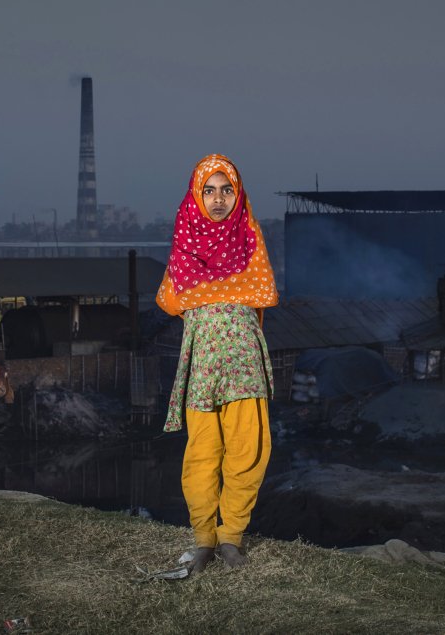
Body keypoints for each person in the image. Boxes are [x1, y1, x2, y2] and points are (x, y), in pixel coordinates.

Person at [157, 153, 279, 574]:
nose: (218, 199)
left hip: (244, 363)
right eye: (209, 190)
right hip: (203, 367)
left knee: (248, 451)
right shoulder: (184, 243)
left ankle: (232, 537)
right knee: (202, 454)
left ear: (238, 193)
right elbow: (171, 299)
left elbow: (262, 297)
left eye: (227, 189)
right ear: (196, 194)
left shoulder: (249, 235)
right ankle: (204, 538)